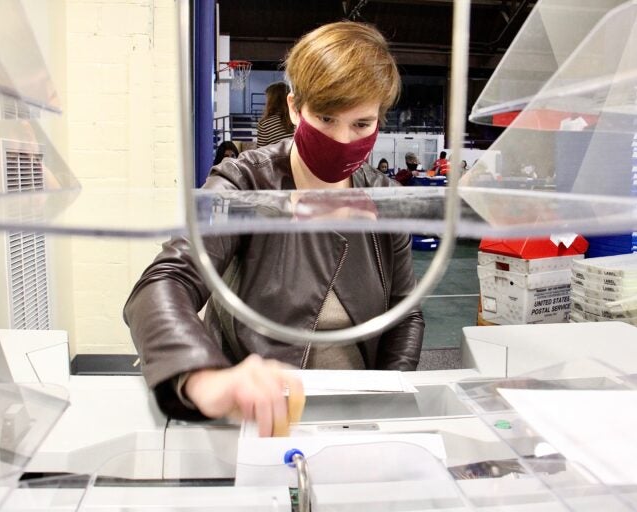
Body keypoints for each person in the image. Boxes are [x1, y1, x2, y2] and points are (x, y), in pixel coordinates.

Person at [124, 21, 424, 437]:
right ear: (293, 107)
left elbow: (405, 312)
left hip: (353, 413)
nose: (342, 138)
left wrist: (386, 403)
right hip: (252, 413)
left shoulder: (384, 198)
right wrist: (202, 375)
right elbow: (165, 281)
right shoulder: (243, 182)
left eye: (361, 124)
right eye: (325, 117)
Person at [256, 82, 295, 147]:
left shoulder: (265, 123)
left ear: (271, 101)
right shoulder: (297, 119)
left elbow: (260, 151)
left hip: (277, 157)